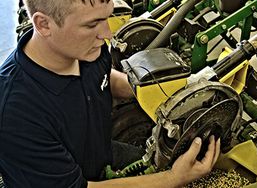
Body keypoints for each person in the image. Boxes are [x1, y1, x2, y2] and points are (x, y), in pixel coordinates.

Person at [0, 0, 221, 187]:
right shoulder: (16, 113)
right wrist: (174, 178)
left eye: (105, 18)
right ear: (44, 24)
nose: (107, 33)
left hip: (101, 151)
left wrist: (157, 91)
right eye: (92, 24)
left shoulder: (84, 48)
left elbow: (104, 77)